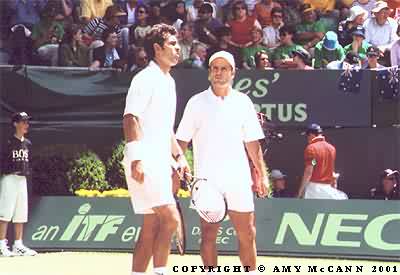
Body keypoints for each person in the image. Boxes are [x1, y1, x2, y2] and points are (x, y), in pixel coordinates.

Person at [176, 50, 269, 275]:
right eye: (214, 68)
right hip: (208, 181)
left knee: (248, 233)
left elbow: (252, 144)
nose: (218, 73)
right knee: (208, 234)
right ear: (209, 73)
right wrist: (180, 166)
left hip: (238, 179)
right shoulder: (196, 102)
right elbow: (181, 141)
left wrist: (262, 175)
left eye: (223, 68)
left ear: (233, 73)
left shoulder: (243, 101)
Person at [122, 23, 190, 275]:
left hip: (161, 161)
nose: (177, 49)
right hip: (145, 161)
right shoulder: (145, 78)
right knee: (171, 219)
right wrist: (137, 159)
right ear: (157, 49)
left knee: (151, 225)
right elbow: (130, 119)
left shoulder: (168, 81)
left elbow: (164, 127)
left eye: (177, 43)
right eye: (172, 44)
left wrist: (179, 156)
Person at [0, 112, 38, 257]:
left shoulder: (28, 144)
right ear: (15, 124)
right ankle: (2, 244)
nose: (26, 125)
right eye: (23, 122)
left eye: (27, 122)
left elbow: (30, 162)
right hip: (9, 178)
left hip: (22, 180)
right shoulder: (8, 143)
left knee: (20, 213)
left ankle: (18, 244)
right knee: (5, 211)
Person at [297, 123, 345, 199]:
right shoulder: (331, 148)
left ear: (312, 135)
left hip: (313, 190)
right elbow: (315, 162)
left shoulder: (311, 148)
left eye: (307, 136)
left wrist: (300, 192)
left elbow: (309, 171)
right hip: (327, 189)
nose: (307, 138)